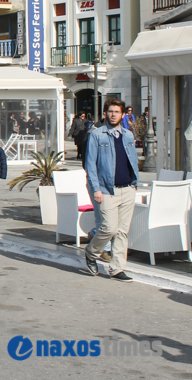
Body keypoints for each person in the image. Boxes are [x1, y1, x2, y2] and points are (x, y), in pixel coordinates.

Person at [84, 98, 139, 283]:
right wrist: (96, 189)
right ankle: (92, 253)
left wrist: (134, 181)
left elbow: (133, 160)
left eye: (117, 111)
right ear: (105, 113)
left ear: (123, 114)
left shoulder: (128, 135)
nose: (113, 114)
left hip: (127, 188)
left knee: (122, 232)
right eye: (110, 111)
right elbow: (90, 164)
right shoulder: (97, 135)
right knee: (108, 228)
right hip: (106, 189)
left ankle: (117, 269)